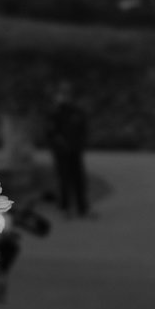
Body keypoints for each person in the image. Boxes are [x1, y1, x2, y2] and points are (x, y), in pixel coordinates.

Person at [43, 80, 89, 217]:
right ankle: (65, 207)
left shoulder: (77, 112)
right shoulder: (56, 113)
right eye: (63, 93)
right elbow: (51, 132)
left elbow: (83, 129)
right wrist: (60, 144)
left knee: (79, 179)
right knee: (64, 180)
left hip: (75, 151)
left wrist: (79, 144)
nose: (65, 96)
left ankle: (82, 208)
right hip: (62, 152)